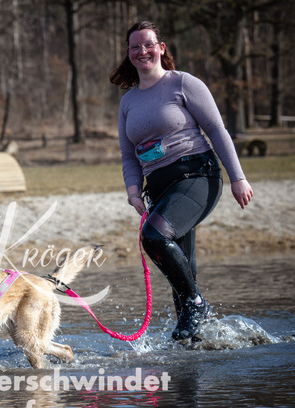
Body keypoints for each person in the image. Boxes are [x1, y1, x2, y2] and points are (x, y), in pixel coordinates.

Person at [109, 21, 253, 341]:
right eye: (135, 46)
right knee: (182, 268)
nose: (142, 51)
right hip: (159, 188)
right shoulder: (128, 102)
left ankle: (197, 305)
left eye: (148, 44)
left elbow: (216, 130)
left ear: (161, 48)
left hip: (197, 175)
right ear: (129, 53)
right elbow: (128, 155)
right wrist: (133, 192)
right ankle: (194, 340)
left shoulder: (184, 83)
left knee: (154, 237)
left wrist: (238, 178)